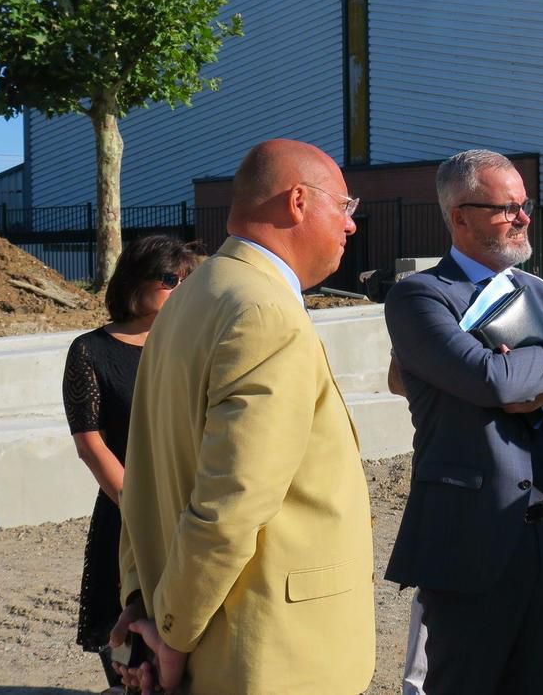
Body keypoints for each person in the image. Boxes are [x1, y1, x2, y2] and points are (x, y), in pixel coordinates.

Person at [112, 139, 375, 695]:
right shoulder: (263, 310)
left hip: (213, 637)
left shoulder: (190, 296)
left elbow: (145, 471)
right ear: (298, 202)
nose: (351, 226)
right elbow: (231, 503)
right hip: (267, 653)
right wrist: (171, 636)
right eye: (345, 207)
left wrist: (141, 599)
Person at [383, 148, 543, 695]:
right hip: (470, 536)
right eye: (506, 207)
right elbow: (491, 381)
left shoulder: (539, 293)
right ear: (458, 215)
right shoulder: (420, 297)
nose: (523, 217)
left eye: (524, 204)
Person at [62, 235, 198, 693]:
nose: (180, 288)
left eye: (187, 280)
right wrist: (140, 507)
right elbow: (91, 444)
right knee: (127, 661)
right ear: (135, 280)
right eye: (168, 279)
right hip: (124, 520)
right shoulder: (90, 351)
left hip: (188, 514)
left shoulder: (188, 347)